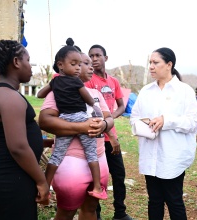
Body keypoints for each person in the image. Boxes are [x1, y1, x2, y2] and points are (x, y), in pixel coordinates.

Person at [39, 51, 114, 220]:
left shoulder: (96, 93)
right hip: (71, 163)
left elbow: (109, 119)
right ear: (64, 66)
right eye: (83, 63)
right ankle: (45, 185)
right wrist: (82, 127)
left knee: (91, 208)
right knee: (66, 212)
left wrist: (104, 125)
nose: (90, 67)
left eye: (86, 63)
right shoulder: (57, 91)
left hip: (99, 158)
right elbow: (45, 121)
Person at [130, 47, 197, 220]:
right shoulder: (146, 91)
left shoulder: (184, 91)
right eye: (150, 63)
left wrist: (166, 121)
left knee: (174, 200)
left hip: (173, 156)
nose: (151, 67)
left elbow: (194, 123)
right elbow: (134, 117)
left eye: (156, 62)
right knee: (154, 200)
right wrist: (143, 124)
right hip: (150, 153)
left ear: (169, 64)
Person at [0, 40, 50, 219]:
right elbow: (18, 147)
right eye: (28, 60)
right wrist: (42, 181)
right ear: (16, 62)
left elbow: (13, 136)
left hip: (13, 173)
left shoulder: (4, 93)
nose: (30, 66)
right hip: (12, 175)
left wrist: (45, 141)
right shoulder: (9, 97)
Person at [85, 45, 133, 220]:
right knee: (96, 178)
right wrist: (106, 124)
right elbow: (92, 110)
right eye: (91, 56)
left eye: (98, 55)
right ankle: (95, 214)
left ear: (106, 58)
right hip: (96, 139)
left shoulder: (113, 82)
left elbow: (121, 106)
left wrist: (110, 119)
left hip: (111, 135)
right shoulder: (88, 81)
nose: (94, 59)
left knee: (119, 175)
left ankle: (120, 212)